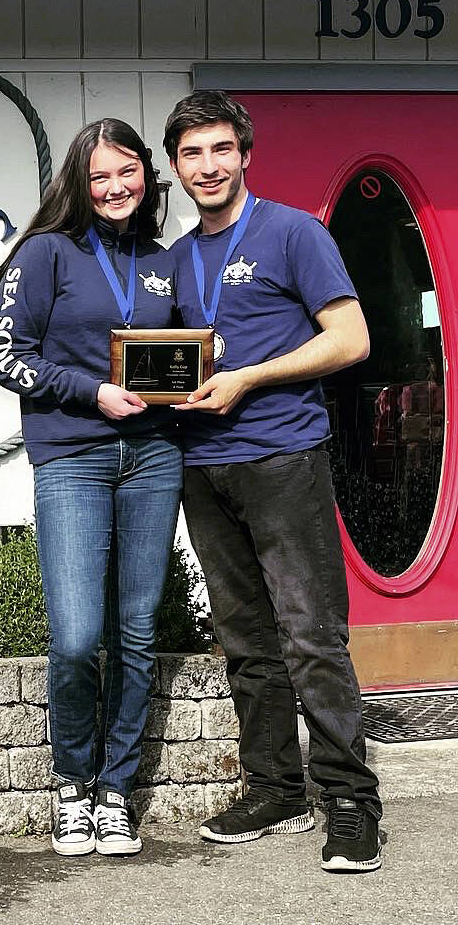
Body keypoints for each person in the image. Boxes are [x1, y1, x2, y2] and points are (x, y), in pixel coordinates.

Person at [165, 89, 381, 872]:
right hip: (202, 466)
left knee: (312, 636)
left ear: (245, 154)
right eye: (192, 153)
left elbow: (351, 339)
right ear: (177, 166)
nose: (209, 165)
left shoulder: (294, 232)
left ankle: (351, 802)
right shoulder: (178, 259)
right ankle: (274, 787)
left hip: (285, 459)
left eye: (221, 148)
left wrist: (250, 378)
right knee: (248, 643)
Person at [0, 119, 182, 857]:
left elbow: (182, 350)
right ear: (78, 181)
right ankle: (72, 784)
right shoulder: (45, 253)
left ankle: (114, 793)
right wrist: (89, 391)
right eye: (99, 175)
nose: (114, 187)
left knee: (136, 633)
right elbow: (4, 354)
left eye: (126, 171)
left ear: (146, 175)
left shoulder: (163, 262)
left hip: (156, 459)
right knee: (76, 638)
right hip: (73, 458)